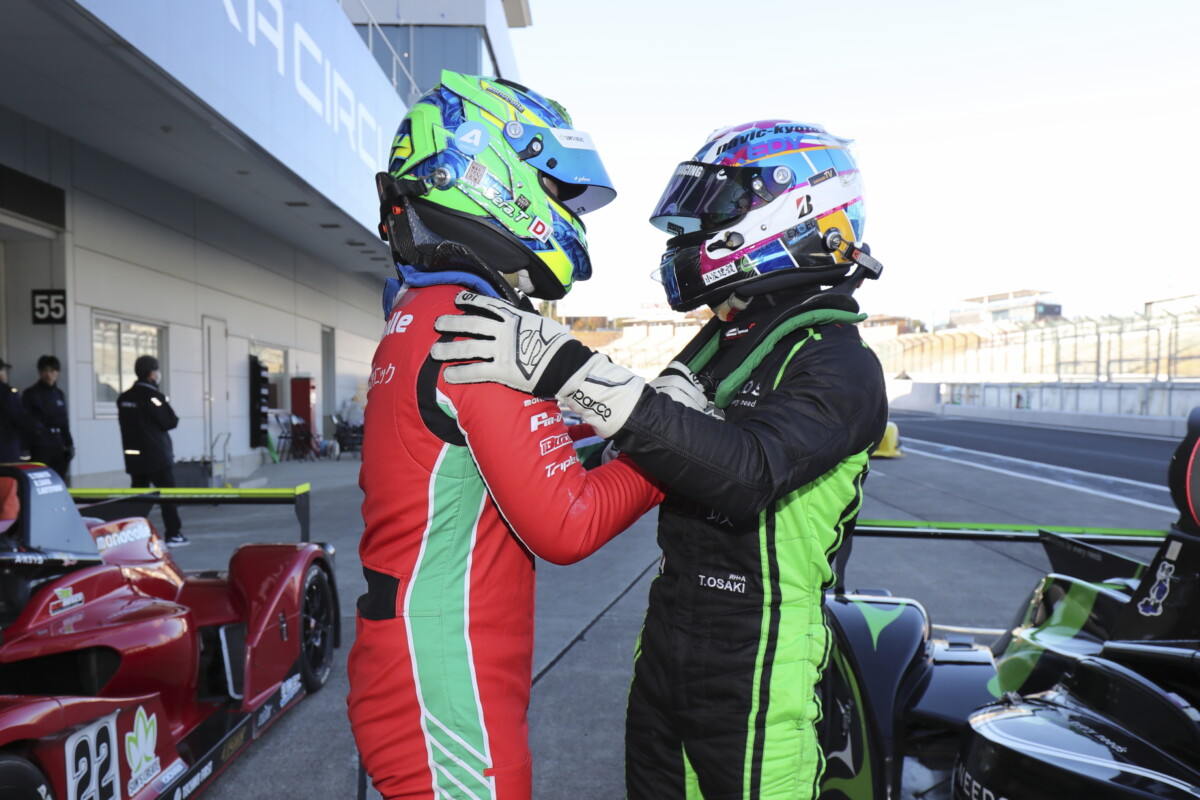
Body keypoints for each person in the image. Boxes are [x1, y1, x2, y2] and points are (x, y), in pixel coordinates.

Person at [433, 120, 889, 799]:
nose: (690, 232)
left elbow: (748, 475)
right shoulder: (725, 339)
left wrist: (572, 371)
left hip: (762, 659)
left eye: (715, 209)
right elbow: (648, 444)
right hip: (667, 640)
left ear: (795, 209)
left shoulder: (841, 361)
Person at [346, 70, 671, 800]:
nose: (566, 211)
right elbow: (567, 524)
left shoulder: (424, 311)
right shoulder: (473, 325)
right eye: (554, 188)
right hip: (446, 670)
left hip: (425, 655)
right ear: (489, 175)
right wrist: (663, 445)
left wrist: (608, 445)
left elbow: (484, 468)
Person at [117, 355, 186, 546]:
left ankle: (131, 536)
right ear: (151, 374)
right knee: (167, 496)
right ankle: (173, 534)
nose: (157, 374)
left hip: (133, 456)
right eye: (156, 370)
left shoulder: (124, 398)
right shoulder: (153, 396)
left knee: (138, 498)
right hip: (156, 456)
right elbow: (170, 421)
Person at [22, 355, 74, 481]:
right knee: (41, 479)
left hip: (59, 444)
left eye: (52, 371)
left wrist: (69, 443)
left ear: (57, 372)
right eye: (45, 370)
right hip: (40, 444)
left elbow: (64, 421)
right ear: (40, 372)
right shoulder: (31, 394)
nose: (48, 374)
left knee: (58, 480)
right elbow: (26, 421)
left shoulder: (59, 394)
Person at [0, 357, 37, 464]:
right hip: (7, 445)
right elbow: (19, 417)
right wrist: (36, 427)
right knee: (9, 472)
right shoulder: (7, 392)